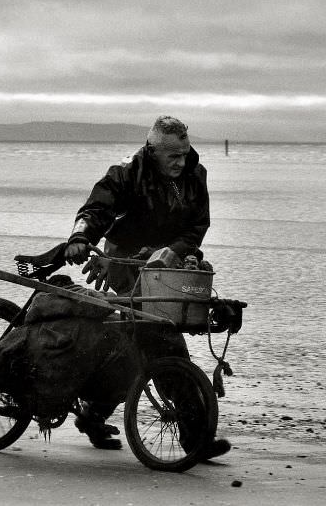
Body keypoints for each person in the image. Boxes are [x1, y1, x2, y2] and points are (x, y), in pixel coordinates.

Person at [63, 115, 230, 460]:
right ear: (152, 151)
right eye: (173, 156)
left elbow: (198, 225)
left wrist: (177, 250)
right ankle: (194, 437)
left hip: (171, 266)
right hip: (124, 263)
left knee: (134, 344)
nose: (181, 162)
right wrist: (81, 237)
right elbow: (96, 209)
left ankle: (94, 414)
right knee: (162, 340)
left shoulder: (196, 175)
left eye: (184, 153)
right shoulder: (126, 173)